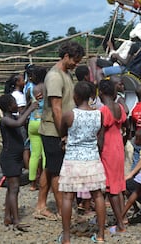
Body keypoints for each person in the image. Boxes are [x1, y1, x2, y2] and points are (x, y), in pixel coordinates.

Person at [34, 41, 85, 220]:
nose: (76, 64)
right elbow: (56, 108)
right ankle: (62, 209)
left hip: (59, 128)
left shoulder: (66, 74)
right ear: (66, 57)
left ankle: (41, 206)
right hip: (53, 130)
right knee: (57, 171)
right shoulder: (55, 76)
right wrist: (63, 132)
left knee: (50, 168)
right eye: (75, 60)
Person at [59, 81, 106, 244]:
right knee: (98, 195)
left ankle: (66, 237)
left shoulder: (69, 115)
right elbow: (101, 138)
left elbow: (62, 132)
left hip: (73, 158)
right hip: (92, 158)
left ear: (76, 96)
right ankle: (100, 235)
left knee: (67, 197)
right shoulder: (99, 114)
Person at [0, 94, 38, 231]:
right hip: (9, 158)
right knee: (14, 188)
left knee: (11, 188)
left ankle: (8, 217)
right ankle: (16, 221)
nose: (17, 105)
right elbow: (19, 123)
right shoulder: (5, 120)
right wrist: (30, 109)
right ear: (9, 106)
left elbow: (21, 116)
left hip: (14, 157)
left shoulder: (13, 116)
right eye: (15, 103)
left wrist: (28, 104)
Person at [98, 79, 127, 234]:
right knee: (118, 185)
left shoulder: (104, 110)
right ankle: (122, 218)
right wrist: (124, 139)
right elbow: (127, 126)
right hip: (119, 148)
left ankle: (120, 224)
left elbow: (101, 136)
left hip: (108, 150)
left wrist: (98, 151)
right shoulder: (120, 108)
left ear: (100, 92)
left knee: (112, 189)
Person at [27, 66, 47, 191]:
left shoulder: (30, 90)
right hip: (44, 122)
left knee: (34, 154)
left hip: (32, 122)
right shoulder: (46, 87)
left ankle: (33, 184)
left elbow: (28, 104)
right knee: (45, 154)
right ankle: (46, 181)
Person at [4, 73, 30, 169]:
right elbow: (21, 112)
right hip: (21, 124)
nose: (24, 81)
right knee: (26, 148)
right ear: (17, 82)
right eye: (22, 79)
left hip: (18, 123)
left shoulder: (15, 94)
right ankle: (27, 170)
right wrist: (30, 107)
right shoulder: (18, 96)